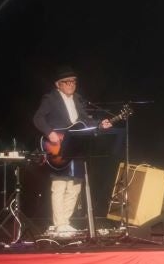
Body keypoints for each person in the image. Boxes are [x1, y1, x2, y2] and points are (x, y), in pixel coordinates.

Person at [31, 65, 112, 236]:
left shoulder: (78, 99)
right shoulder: (50, 98)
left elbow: (84, 121)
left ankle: (65, 222)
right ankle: (59, 224)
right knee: (60, 185)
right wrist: (49, 132)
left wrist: (100, 124)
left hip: (76, 145)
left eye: (73, 82)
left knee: (75, 185)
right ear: (58, 84)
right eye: (67, 82)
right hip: (58, 146)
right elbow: (38, 118)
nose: (71, 85)